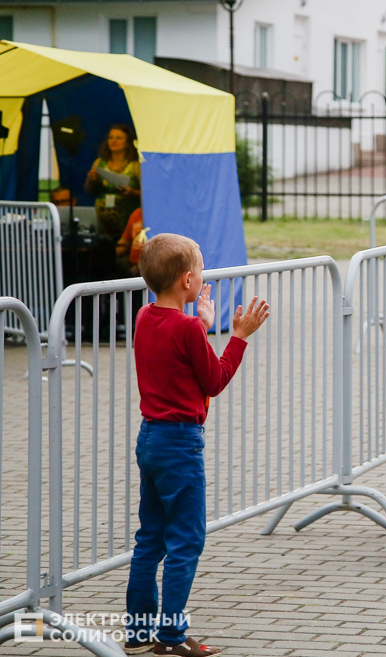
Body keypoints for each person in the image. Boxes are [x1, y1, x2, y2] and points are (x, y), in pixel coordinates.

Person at [124, 234, 269, 657]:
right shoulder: (188, 329)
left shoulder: (144, 316)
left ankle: (137, 632)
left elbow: (175, 346)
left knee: (149, 538)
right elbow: (214, 380)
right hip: (180, 443)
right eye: (201, 271)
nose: (204, 277)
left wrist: (200, 325)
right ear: (188, 281)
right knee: (186, 539)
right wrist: (238, 335)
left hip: (149, 437)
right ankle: (170, 637)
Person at [85, 124, 141, 241]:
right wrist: (91, 180)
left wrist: (133, 192)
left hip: (126, 216)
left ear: (127, 142)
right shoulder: (99, 162)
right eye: (111, 137)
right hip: (102, 217)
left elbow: (148, 193)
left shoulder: (135, 165)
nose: (113, 141)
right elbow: (88, 190)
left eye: (119, 138)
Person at [117, 208, 148, 277]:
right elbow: (125, 239)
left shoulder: (159, 215)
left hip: (149, 264)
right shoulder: (137, 213)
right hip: (132, 263)